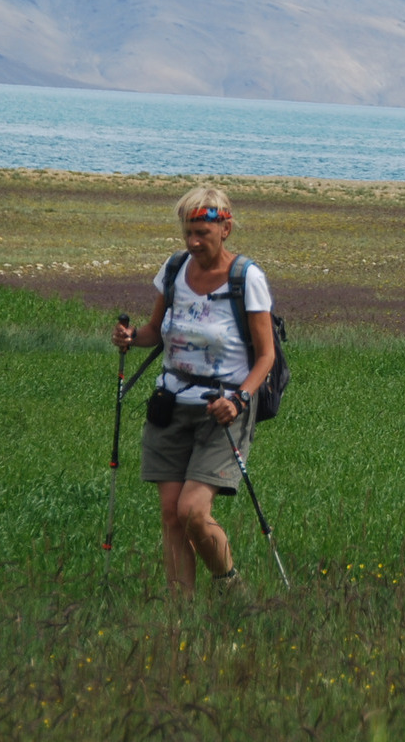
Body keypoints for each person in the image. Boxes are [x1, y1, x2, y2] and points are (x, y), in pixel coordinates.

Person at [111, 185, 275, 595]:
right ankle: (180, 614)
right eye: (187, 232)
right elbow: (155, 333)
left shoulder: (247, 278)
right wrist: (132, 338)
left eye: (202, 232)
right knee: (170, 513)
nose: (193, 241)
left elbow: (266, 356)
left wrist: (239, 401)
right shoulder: (173, 270)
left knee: (193, 512)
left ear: (226, 228)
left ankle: (230, 585)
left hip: (222, 408)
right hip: (169, 402)